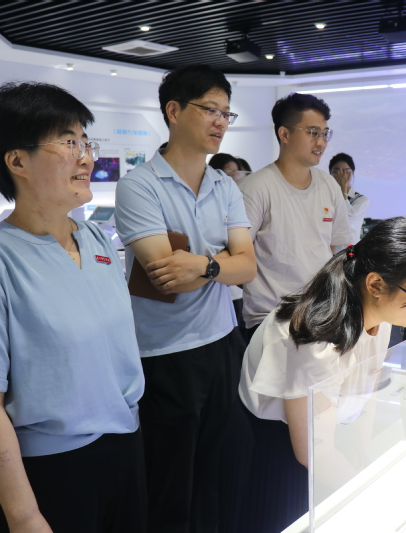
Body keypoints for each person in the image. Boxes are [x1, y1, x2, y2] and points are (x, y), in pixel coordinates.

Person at [0, 82, 146, 532]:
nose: (86, 158)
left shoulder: (95, 239)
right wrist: (25, 516)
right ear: (17, 161)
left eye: (85, 142)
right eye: (69, 143)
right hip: (53, 471)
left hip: (124, 446)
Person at [238, 217, 406, 533]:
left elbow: (366, 396)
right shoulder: (317, 340)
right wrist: (376, 500)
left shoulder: (380, 316)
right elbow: (314, 453)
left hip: (326, 438)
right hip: (279, 448)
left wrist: (362, 462)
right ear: (375, 285)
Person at [114, 64, 256, 532]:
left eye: (226, 113)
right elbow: (165, 276)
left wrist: (202, 265)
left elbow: (249, 267)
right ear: (173, 111)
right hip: (165, 352)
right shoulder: (139, 185)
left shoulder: (224, 185)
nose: (220, 121)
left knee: (216, 472)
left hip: (221, 341)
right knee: (169, 481)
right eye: (210, 109)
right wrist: (221, 263)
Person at [238, 92, 352, 337]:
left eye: (325, 133)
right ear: (285, 134)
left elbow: (332, 247)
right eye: (312, 133)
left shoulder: (329, 186)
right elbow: (239, 256)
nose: (321, 142)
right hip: (270, 319)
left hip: (320, 314)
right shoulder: (255, 188)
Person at [329, 152, 370, 243]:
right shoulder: (324, 196)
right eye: (337, 172)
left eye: (347, 172)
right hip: (327, 247)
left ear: (352, 173)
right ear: (330, 173)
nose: (342, 176)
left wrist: (343, 189)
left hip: (348, 248)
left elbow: (347, 216)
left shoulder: (361, 200)